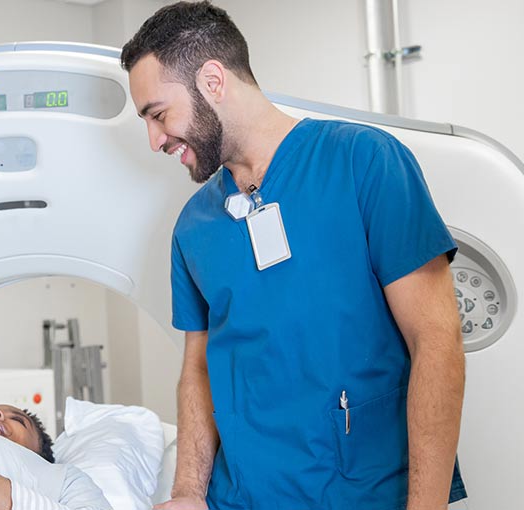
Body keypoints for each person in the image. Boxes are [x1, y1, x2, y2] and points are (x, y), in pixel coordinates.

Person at [120, 2, 466, 509]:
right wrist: (189, 493)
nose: (154, 140)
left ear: (213, 80)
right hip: (242, 498)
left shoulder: (364, 162)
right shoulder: (195, 226)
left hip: (364, 494)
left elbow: (436, 340)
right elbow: (198, 369)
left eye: (158, 115)